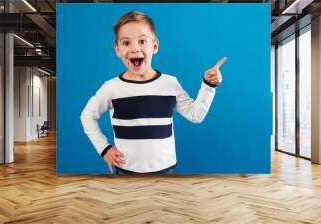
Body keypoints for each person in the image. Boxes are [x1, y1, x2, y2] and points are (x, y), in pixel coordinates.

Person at [80, 11, 226, 175]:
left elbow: (196, 115)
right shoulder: (111, 88)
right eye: (126, 43)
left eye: (142, 41)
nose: (135, 48)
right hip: (126, 171)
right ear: (117, 49)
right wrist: (104, 149)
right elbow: (87, 116)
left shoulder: (170, 83)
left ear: (154, 46)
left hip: (166, 170)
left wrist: (208, 85)